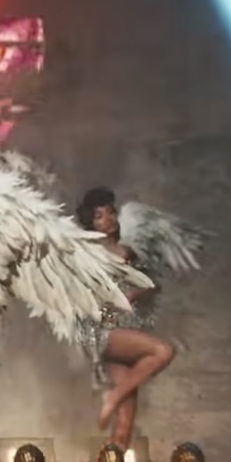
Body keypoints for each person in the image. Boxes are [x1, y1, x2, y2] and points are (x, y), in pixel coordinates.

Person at [75, 185, 175, 447]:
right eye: (99, 216)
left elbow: (152, 284)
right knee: (163, 351)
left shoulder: (128, 254)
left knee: (125, 419)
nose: (108, 219)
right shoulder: (88, 255)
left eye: (110, 212)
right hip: (100, 331)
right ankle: (113, 396)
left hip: (124, 329)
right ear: (91, 224)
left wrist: (132, 294)